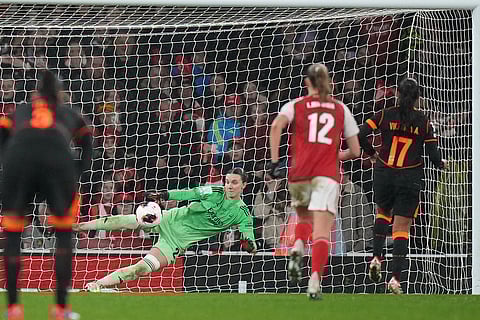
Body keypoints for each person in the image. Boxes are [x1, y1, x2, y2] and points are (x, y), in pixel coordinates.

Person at [0, 70, 93, 319]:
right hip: (57, 164)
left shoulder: (19, 111)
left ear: (36, 95)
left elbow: (2, 133)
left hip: (18, 162)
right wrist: (76, 173)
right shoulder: (70, 113)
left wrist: (7, 162)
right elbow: (87, 142)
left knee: (13, 235)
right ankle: (61, 308)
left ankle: (13, 309)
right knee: (63, 235)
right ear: (59, 95)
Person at [73, 167, 256, 291]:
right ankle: (79, 225)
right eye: (227, 181)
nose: (229, 186)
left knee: (141, 269)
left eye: (234, 183)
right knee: (129, 220)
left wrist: (249, 245)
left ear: (244, 186)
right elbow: (189, 193)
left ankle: (97, 284)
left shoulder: (242, 213)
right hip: (168, 218)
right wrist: (164, 194)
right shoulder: (215, 192)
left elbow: (251, 242)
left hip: (175, 243)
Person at [269, 63, 360, 300]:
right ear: (328, 81)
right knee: (322, 232)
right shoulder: (340, 108)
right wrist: (336, 154)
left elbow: (276, 125)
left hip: (300, 173)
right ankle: (314, 281)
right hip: (327, 175)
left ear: (307, 82)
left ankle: (298, 245)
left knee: (303, 217)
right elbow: (356, 150)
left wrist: (275, 160)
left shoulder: (296, 105)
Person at [358, 78, 446, 294]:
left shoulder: (385, 114)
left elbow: (360, 134)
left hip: (385, 172)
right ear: (417, 97)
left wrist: (371, 153)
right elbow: (434, 156)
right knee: (401, 229)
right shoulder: (423, 121)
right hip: (409, 177)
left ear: (397, 93)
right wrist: (441, 164)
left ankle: (377, 257)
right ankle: (395, 279)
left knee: (382, 214)